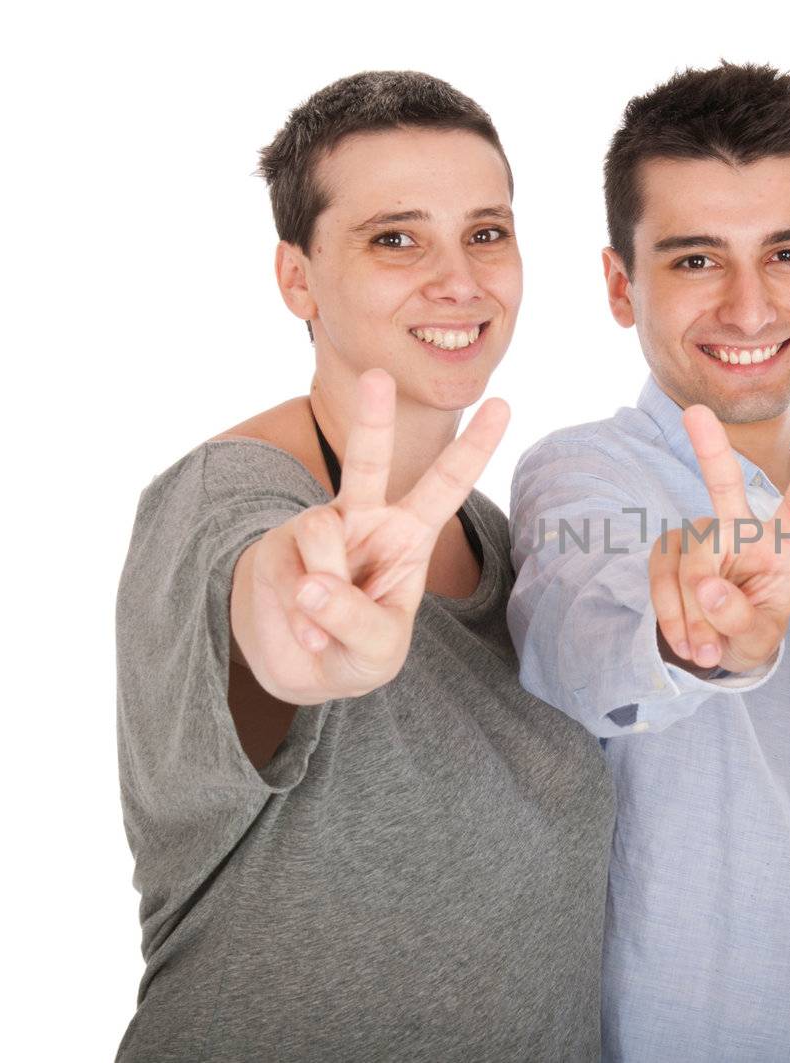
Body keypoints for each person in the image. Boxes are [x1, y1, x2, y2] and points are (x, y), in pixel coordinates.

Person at [114, 71, 614, 1061]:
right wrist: (295, 633)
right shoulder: (230, 503)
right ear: (297, 277)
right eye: (395, 237)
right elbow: (266, 608)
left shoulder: (503, 544)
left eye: (486, 230)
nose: (460, 279)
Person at [507, 63, 790, 1061]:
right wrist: (688, 639)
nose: (749, 306)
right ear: (621, 286)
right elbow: (579, 647)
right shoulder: (578, 476)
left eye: (786, 252)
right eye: (695, 259)